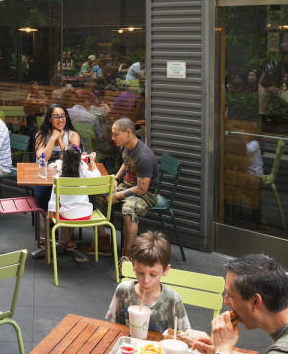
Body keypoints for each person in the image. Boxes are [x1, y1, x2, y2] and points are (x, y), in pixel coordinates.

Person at [105, 230, 191, 333]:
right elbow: (111, 328)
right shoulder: (124, 291)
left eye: (153, 275)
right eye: (140, 273)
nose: (146, 281)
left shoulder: (172, 300)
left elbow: (187, 336)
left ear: (165, 270)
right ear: (133, 266)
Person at [109, 118, 160, 261]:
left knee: (128, 211)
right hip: (128, 185)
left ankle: (128, 253)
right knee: (99, 195)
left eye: (115, 134)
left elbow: (142, 189)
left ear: (128, 132)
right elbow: (126, 164)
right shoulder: (126, 145)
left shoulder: (144, 156)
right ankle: (103, 240)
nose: (113, 138)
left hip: (146, 194)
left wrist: (117, 195)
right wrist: (116, 179)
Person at [46, 145, 97, 262]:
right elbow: (97, 176)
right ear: (80, 159)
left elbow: (53, 200)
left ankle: (67, 241)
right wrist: (92, 162)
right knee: (72, 209)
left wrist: (49, 214)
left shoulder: (58, 178)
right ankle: (68, 241)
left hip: (68, 214)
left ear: (63, 160)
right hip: (86, 213)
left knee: (60, 210)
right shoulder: (84, 172)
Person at [32, 103, 82, 216]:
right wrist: (53, 138)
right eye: (56, 117)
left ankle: (62, 221)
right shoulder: (41, 135)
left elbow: (71, 158)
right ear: (49, 119)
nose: (60, 120)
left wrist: (60, 140)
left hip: (64, 176)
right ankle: (50, 223)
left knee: (67, 194)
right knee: (44, 193)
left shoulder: (73, 135)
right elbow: (43, 158)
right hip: (43, 178)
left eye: (63, 116)